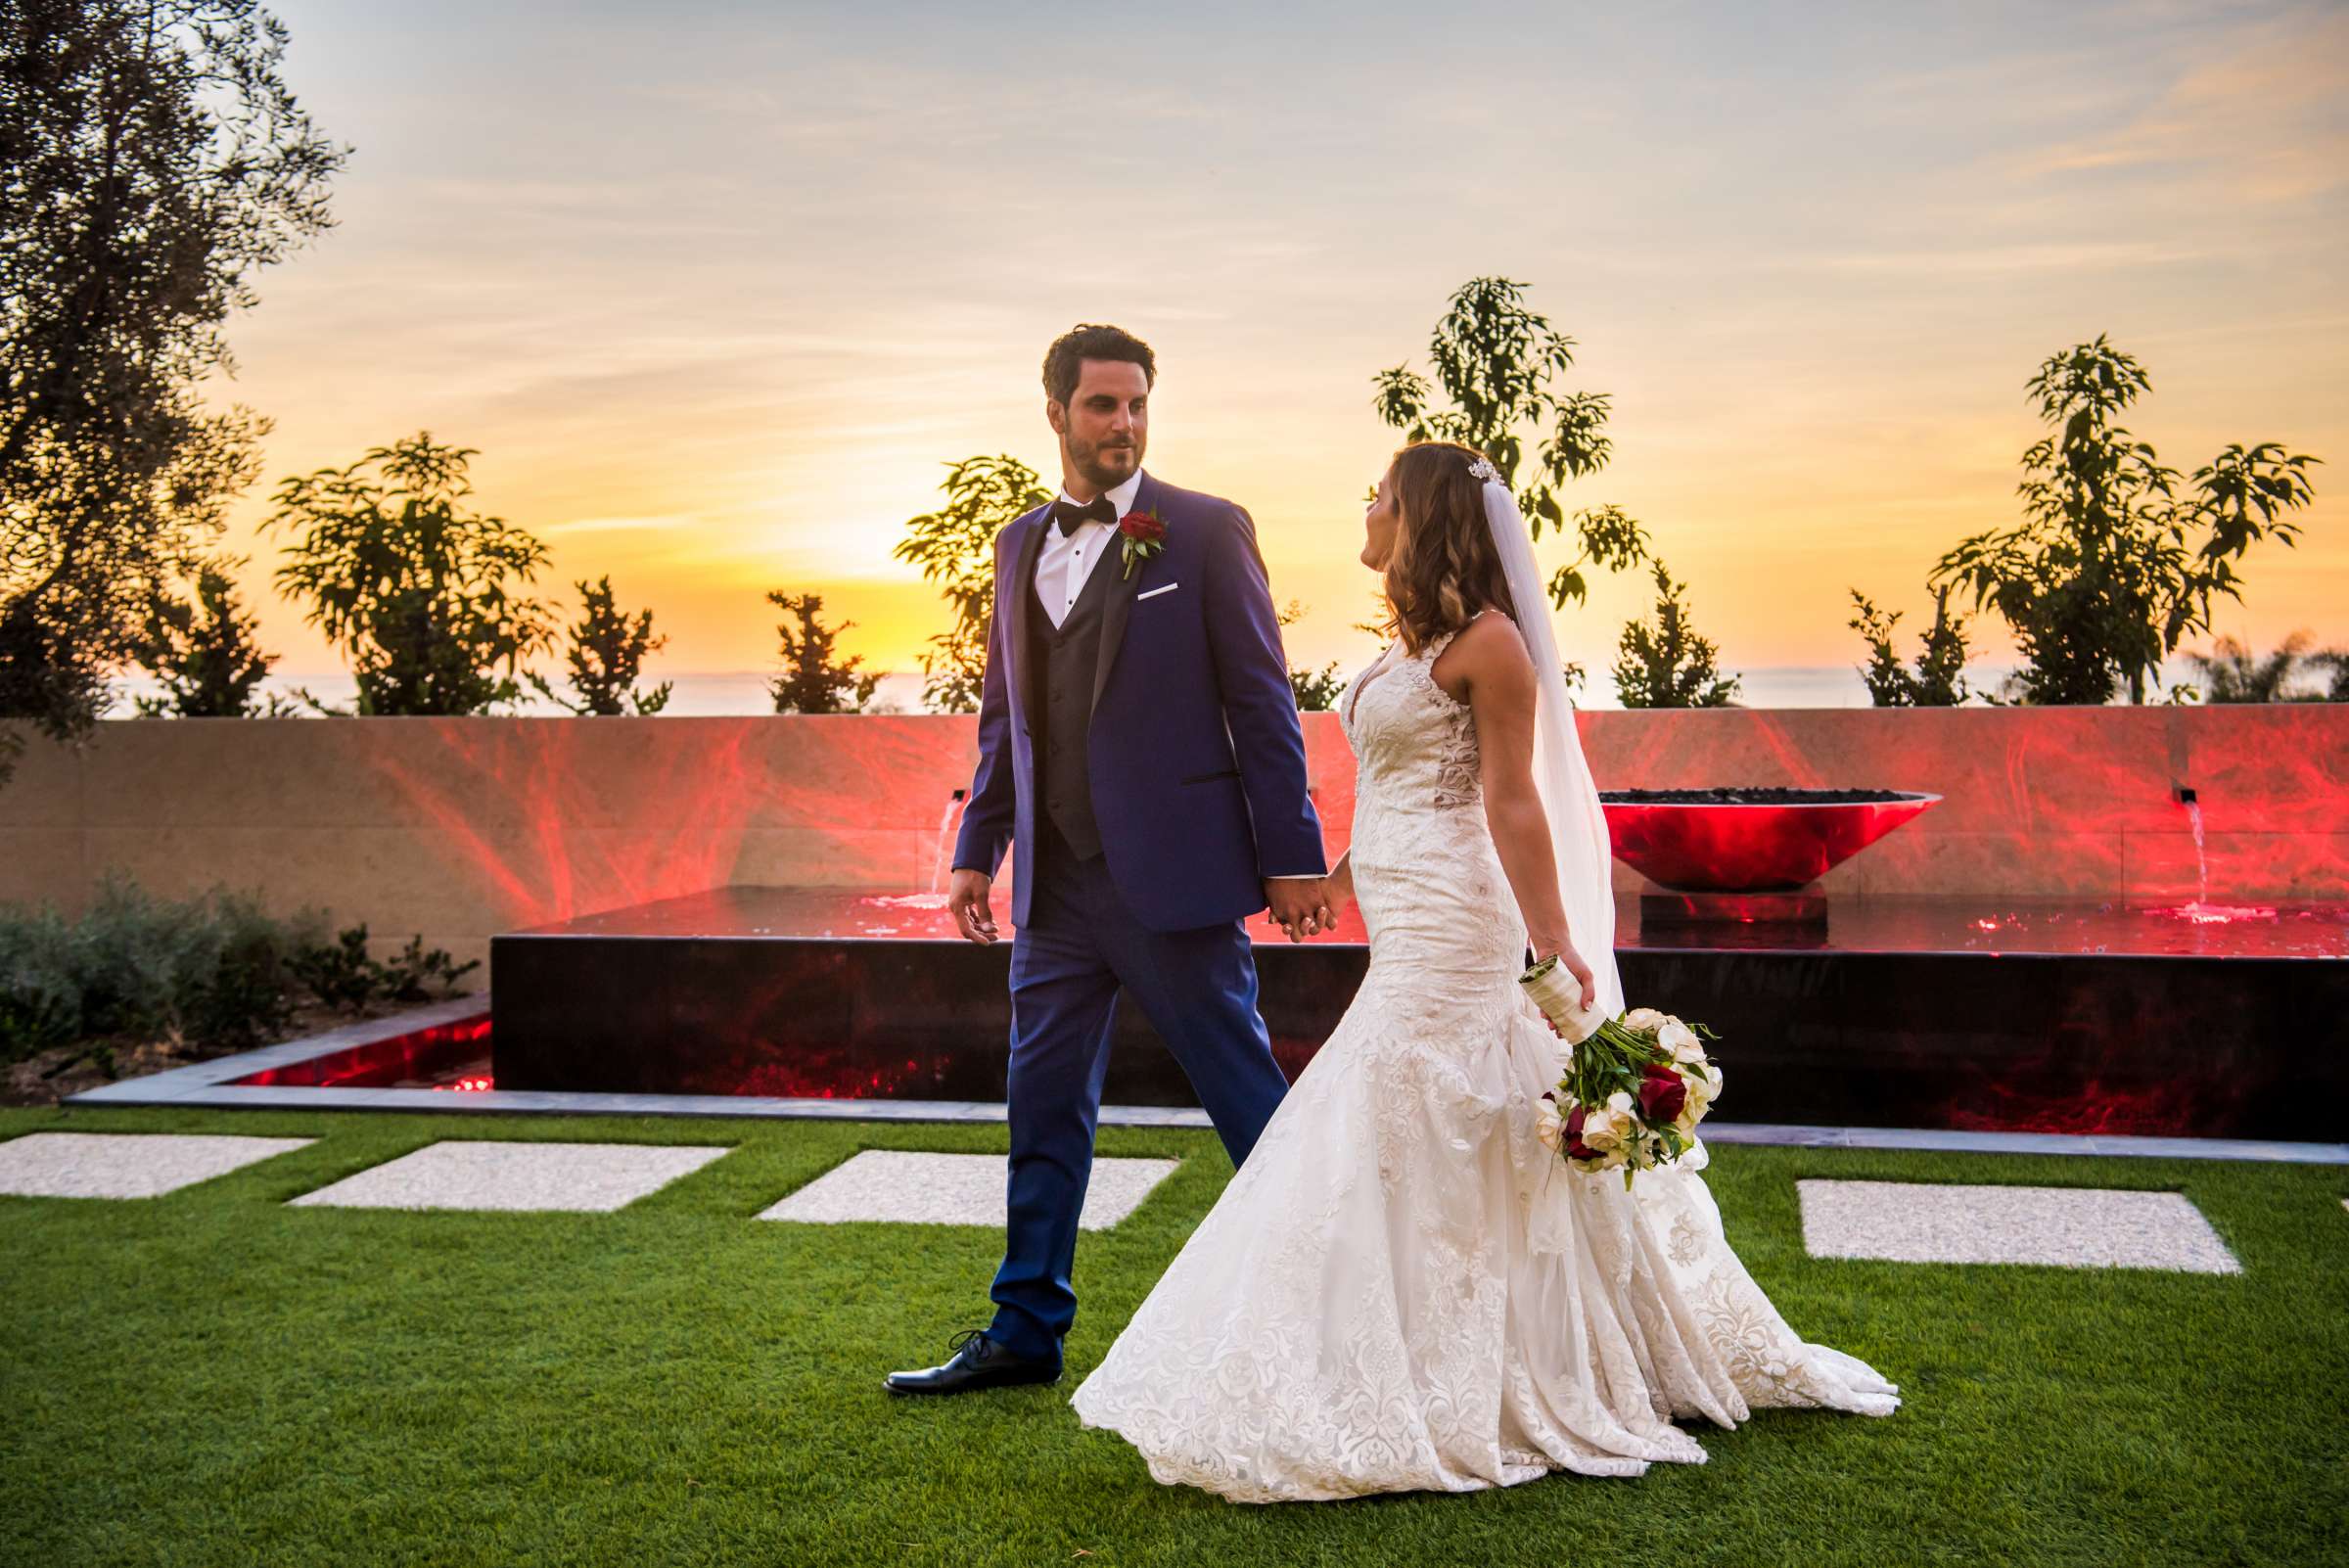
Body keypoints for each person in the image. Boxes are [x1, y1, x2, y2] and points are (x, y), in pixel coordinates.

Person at [1067, 439, 1900, 1500]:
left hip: (1462, 919)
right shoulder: (1415, 642)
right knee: (1413, 1111)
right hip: (1405, 905)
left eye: (1379, 495)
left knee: (1413, 1098)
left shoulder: (1494, 646)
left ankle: (1495, 1365)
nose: (1363, 506)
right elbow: (1399, 794)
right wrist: (1331, 878)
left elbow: (1512, 802)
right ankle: (1414, 1344)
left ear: (1418, 518)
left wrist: (1551, 948)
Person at [885, 324, 1332, 1396]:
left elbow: (1262, 705)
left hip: (1173, 880)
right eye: (1101, 406)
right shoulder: (1014, 545)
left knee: (1248, 1103)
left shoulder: (1208, 532)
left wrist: (1294, 854)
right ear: (1057, 413)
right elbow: (1006, 716)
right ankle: (1025, 1329)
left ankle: (1334, 1306)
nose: (1123, 424)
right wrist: (974, 851)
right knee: (1041, 1109)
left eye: (1136, 405)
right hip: (1053, 889)